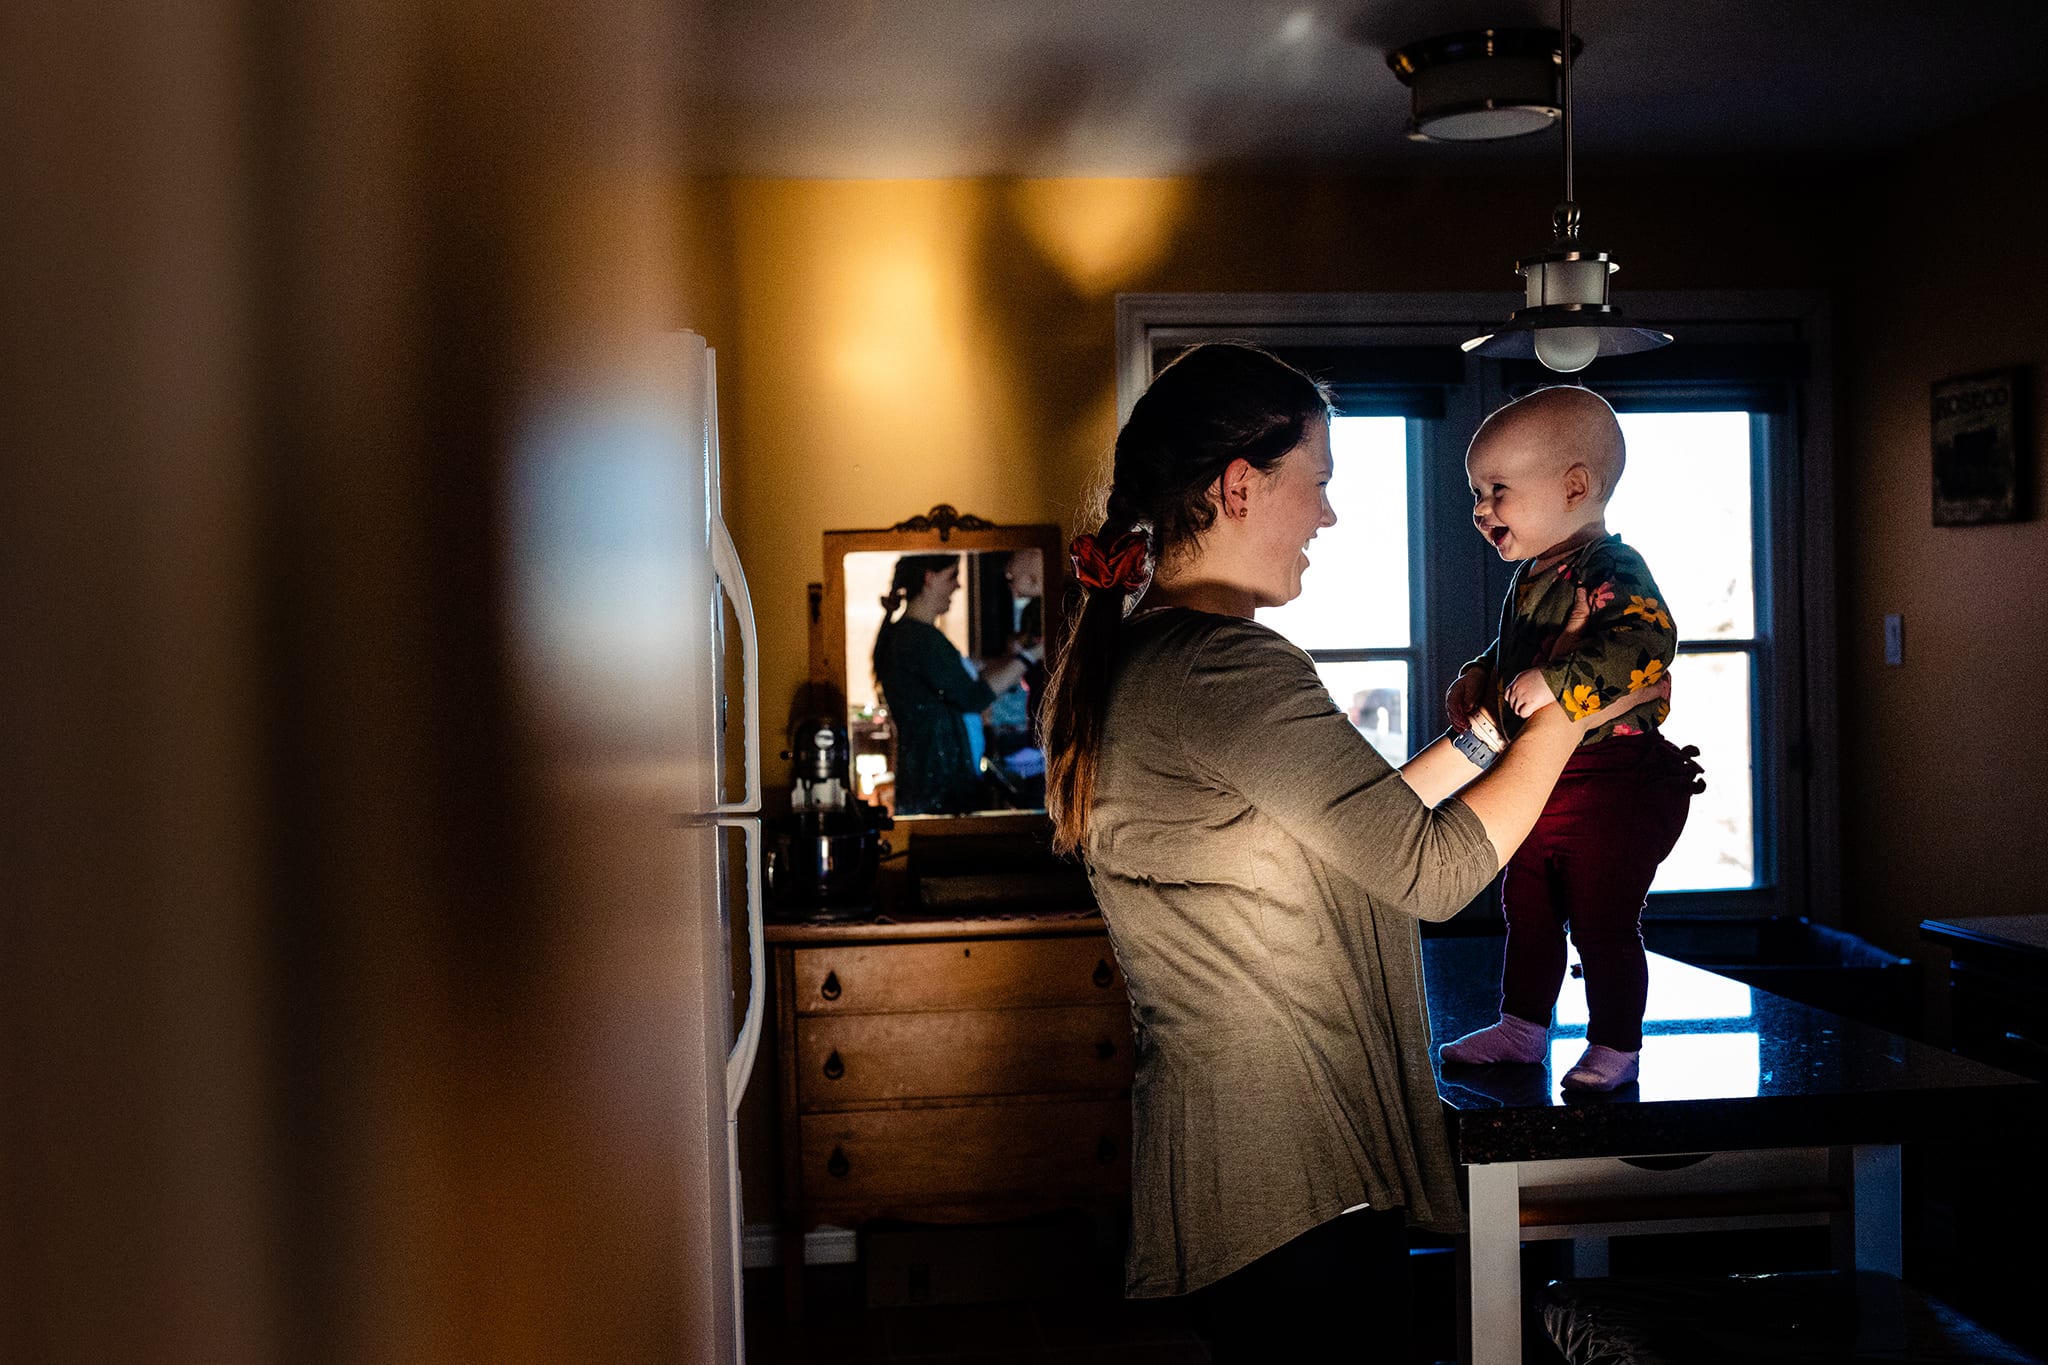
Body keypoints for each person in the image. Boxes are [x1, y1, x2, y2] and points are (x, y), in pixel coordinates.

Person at [1037, 345, 1667, 1361]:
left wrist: (1487, 737)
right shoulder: (1226, 665)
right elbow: (1427, 870)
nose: (1325, 517)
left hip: (1250, 1172)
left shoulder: (1161, 654)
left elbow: (1356, 826)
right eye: (1317, 484)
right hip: (1289, 1176)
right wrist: (1576, 703)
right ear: (1240, 487)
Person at [1437, 387, 1706, 1093]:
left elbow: (1651, 642)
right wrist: (1477, 676)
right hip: (1545, 776)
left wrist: (1560, 684)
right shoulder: (1533, 577)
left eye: (1498, 491)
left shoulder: (1610, 569)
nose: (1481, 509)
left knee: (1602, 917)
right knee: (1524, 903)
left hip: (1613, 776)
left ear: (1575, 487)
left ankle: (1617, 1041)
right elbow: (1513, 655)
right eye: (1476, 493)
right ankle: (1523, 1027)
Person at [873, 553, 1026, 815]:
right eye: (952, 575)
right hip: (939, 785)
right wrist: (1029, 659)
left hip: (927, 781)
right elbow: (973, 697)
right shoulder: (920, 639)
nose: (958, 585)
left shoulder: (911, 636)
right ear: (929, 578)